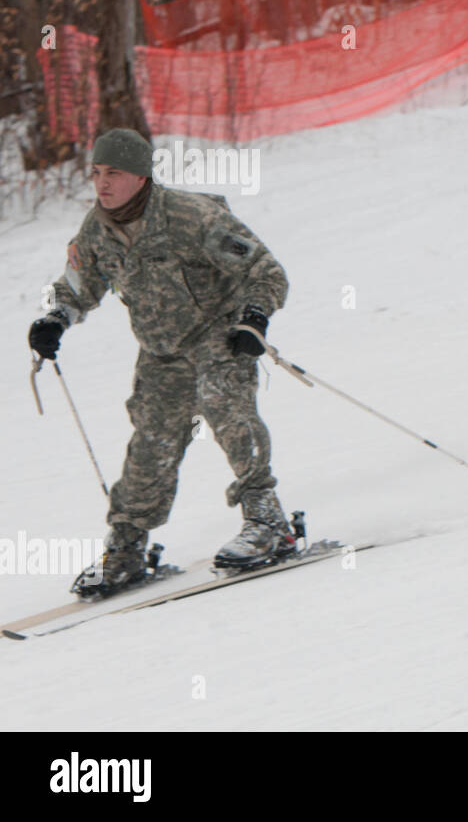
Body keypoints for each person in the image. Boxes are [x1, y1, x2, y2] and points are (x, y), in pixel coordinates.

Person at [27, 128, 295, 596]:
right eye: (96, 173)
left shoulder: (191, 216)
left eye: (114, 172)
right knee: (151, 442)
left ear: (142, 176)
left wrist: (253, 320)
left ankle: (267, 520)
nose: (102, 183)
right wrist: (55, 318)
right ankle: (127, 547)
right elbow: (76, 286)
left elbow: (264, 270)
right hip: (161, 351)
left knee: (227, 411)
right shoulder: (96, 232)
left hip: (219, 335)